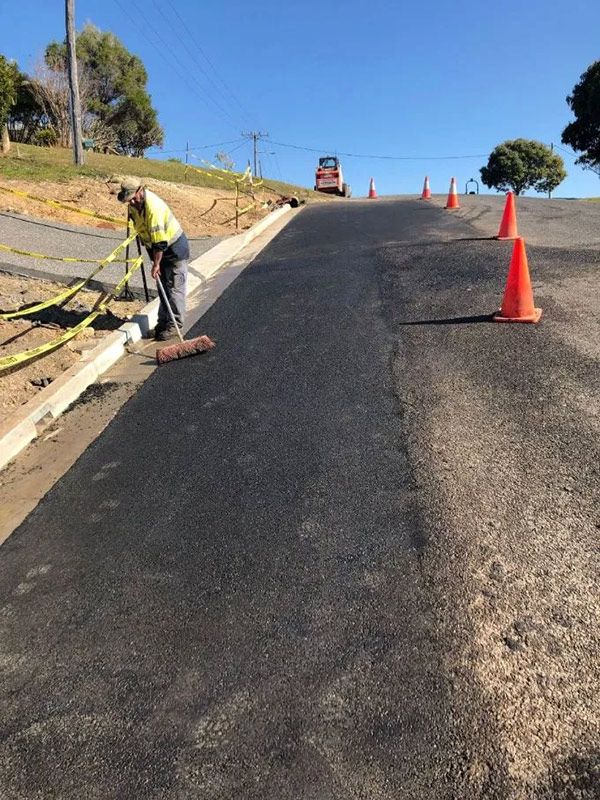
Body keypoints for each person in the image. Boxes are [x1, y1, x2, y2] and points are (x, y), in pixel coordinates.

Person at [117, 177, 190, 341]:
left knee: (174, 289)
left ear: (140, 191)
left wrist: (156, 264)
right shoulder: (134, 206)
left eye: (134, 197)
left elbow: (160, 242)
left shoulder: (154, 208)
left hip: (173, 250)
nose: (132, 202)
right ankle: (162, 324)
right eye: (129, 200)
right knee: (163, 288)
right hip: (157, 251)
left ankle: (175, 324)